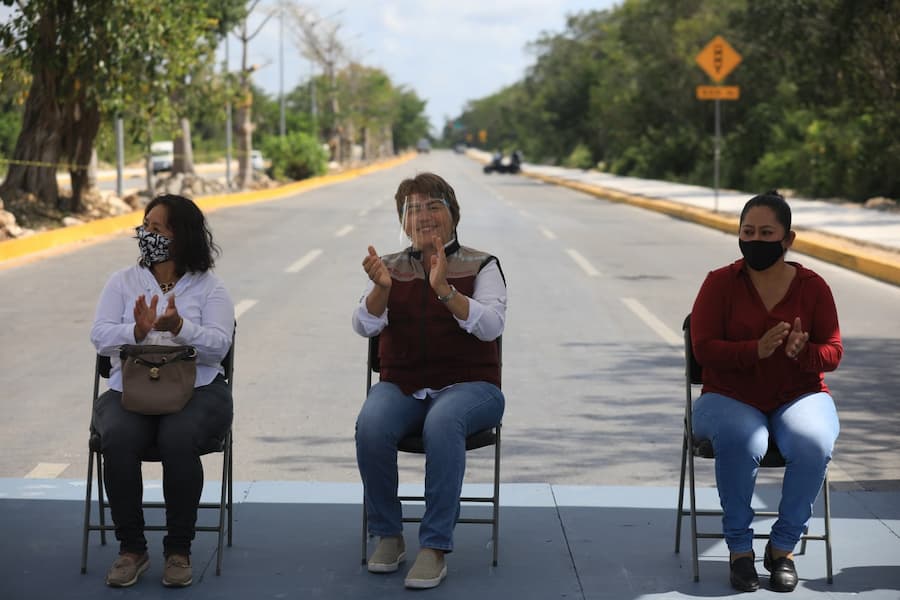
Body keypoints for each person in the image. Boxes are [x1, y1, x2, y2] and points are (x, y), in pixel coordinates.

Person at [353, 172, 507, 590]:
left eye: (433, 206)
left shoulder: (482, 264)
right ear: (403, 221)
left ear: (453, 214)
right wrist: (381, 290)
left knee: (443, 422)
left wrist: (445, 292)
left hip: (471, 388)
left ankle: (434, 546)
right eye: (412, 209)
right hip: (403, 386)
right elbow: (364, 325)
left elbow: (491, 326)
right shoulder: (389, 266)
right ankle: (387, 534)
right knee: (371, 423)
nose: (423, 216)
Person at [690, 190, 842, 593]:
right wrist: (753, 350)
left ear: (788, 240)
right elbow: (703, 349)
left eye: (767, 232)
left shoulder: (813, 287)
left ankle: (782, 548)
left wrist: (804, 353)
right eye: (748, 231)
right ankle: (740, 550)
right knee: (743, 438)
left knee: (813, 443)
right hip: (728, 395)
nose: (755, 240)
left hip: (799, 393)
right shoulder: (719, 283)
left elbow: (833, 352)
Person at [90, 194, 234, 588]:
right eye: (145, 226)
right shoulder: (121, 282)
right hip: (131, 390)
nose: (146, 234)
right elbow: (100, 336)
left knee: (178, 437)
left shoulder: (209, 288)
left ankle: (178, 550)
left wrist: (178, 328)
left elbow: (219, 346)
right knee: (118, 438)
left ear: (181, 235)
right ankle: (131, 549)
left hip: (198, 390)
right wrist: (135, 332)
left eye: (157, 228)